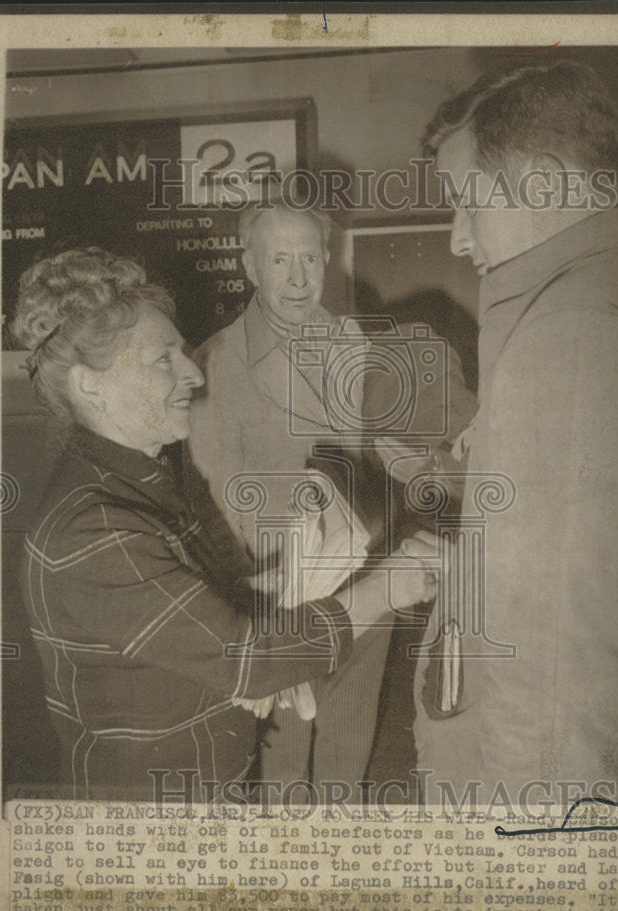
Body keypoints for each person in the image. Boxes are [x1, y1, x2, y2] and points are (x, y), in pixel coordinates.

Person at [14, 247, 438, 802]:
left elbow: (198, 623)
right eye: (164, 359)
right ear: (89, 384)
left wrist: (258, 622)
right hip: (154, 818)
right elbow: (248, 659)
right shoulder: (95, 530)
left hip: (208, 785)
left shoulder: (138, 479)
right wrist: (387, 587)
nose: (194, 370)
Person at [412, 61, 618, 806]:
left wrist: (531, 875)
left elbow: (561, 677)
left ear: (545, 182)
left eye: (468, 204)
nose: (459, 239)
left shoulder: (572, 337)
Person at [186, 200, 475, 801]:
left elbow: (369, 451)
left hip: (367, 571)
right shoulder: (216, 363)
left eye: (310, 258)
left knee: (350, 740)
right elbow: (216, 501)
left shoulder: (349, 342)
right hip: (281, 593)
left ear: (327, 260)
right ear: (249, 266)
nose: (297, 277)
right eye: (280, 259)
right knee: (284, 754)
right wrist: (263, 599)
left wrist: (428, 465)